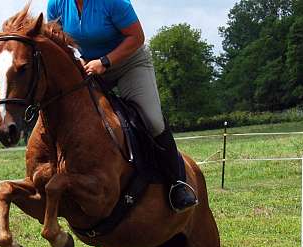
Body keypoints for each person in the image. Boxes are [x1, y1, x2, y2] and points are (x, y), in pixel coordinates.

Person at [46, 0, 198, 212]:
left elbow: (137, 37)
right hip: (89, 67)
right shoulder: (56, 4)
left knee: (152, 120)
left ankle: (178, 184)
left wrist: (105, 62)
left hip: (130, 63)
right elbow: (60, 42)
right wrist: (78, 61)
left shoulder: (113, 2)